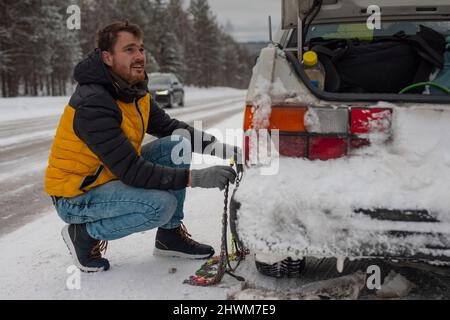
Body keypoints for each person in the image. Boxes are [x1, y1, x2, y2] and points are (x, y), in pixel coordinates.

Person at [45, 21, 242, 273]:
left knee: (177, 144)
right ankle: (83, 235)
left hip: (107, 176)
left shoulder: (132, 91)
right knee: (159, 205)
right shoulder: (93, 102)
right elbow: (132, 170)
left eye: (141, 49)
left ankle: (169, 238)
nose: (139, 56)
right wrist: (197, 178)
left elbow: (172, 128)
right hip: (76, 195)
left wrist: (222, 149)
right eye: (129, 50)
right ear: (107, 57)